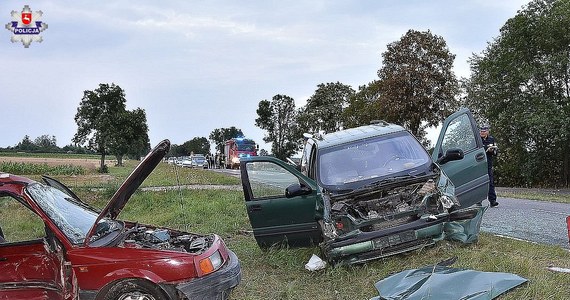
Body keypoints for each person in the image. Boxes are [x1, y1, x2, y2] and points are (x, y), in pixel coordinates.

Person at [480, 124, 499, 207]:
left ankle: (492, 200)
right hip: (479, 164)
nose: (482, 132)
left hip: (488, 163)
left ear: (487, 132)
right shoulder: (477, 140)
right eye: (481, 131)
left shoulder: (491, 139)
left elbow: (496, 153)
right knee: (479, 182)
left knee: (490, 182)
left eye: (484, 131)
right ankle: (478, 201)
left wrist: (492, 151)